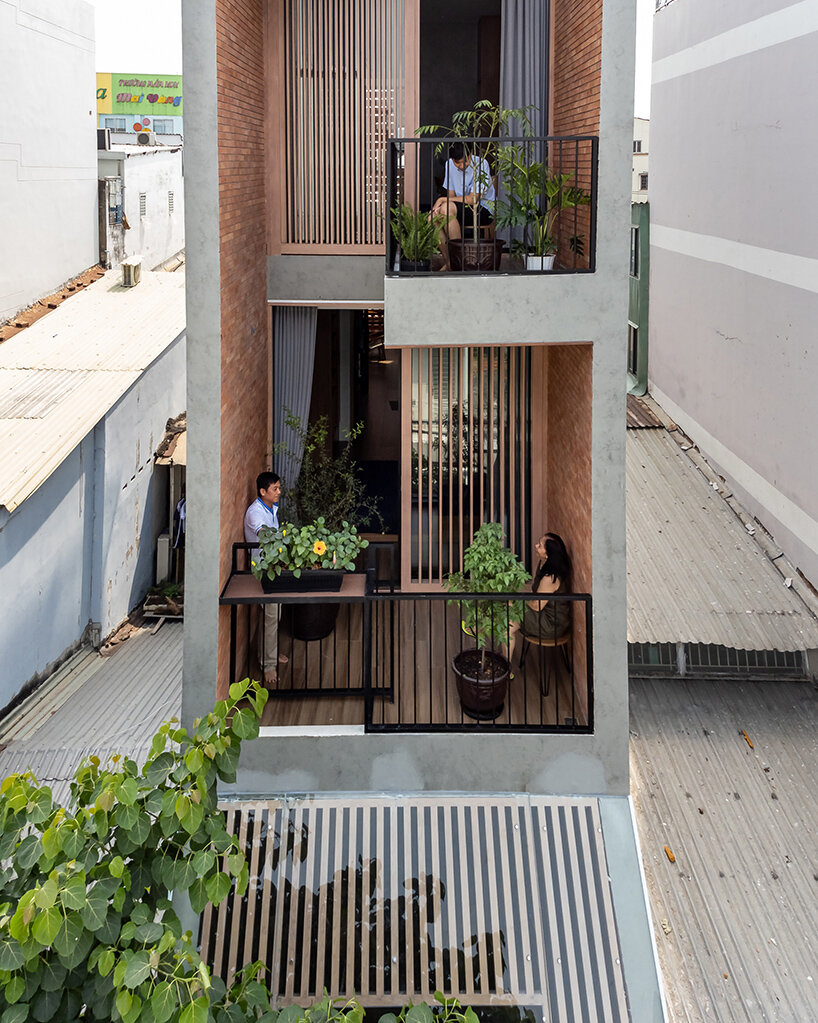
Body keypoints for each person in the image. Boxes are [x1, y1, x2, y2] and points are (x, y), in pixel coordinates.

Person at [244, 471, 286, 685]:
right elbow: (267, 537)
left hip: (272, 567)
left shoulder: (270, 508)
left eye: (279, 488)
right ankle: (268, 665)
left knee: (272, 615)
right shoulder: (255, 514)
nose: (279, 492)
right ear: (263, 491)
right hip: (263, 570)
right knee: (271, 615)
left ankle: (268, 653)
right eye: (275, 489)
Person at [430, 141, 495, 267]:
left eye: (465, 161)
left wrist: (442, 200)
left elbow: (473, 199)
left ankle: (459, 262)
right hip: (458, 208)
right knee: (432, 218)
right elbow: (451, 197)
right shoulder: (450, 165)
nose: (461, 165)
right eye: (457, 162)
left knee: (447, 208)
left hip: (482, 209)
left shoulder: (482, 164)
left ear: (471, 154)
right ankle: (450, 262)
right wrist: (441, 205)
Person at [510, 533, 572, 660]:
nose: (536, 546)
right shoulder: (544, 563)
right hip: (544, 613)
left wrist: (516, 602)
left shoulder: (550, 578)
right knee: (508, 624)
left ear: (548, 554)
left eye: (540, 546)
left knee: (508, 608)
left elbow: (536, 605)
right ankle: (506, 667)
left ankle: (478, 629)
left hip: (551, 624)